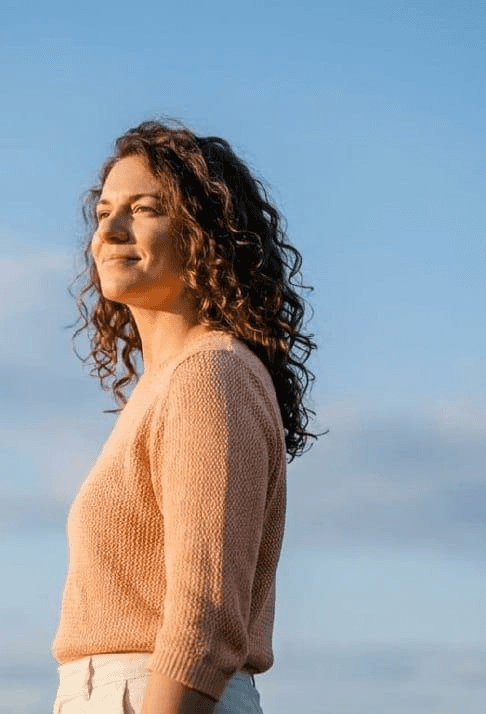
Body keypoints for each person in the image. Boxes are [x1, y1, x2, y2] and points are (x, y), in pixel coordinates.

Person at [52, 119, 326, 714]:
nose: (110, 231)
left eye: (144, 209)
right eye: (103, 212)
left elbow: (204, 625)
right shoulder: (164, 384)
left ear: (206, 232)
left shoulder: (210, 375)